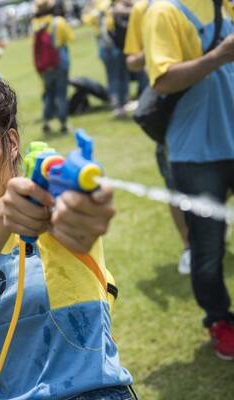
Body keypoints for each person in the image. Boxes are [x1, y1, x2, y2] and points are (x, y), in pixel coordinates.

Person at [0, 68, 133, 399]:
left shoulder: (50, 191)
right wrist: (6, 210)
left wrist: (83, 206)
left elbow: (78, 224)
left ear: (12, 141)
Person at [142, 0, 234, 360]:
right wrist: (218, 56)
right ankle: (220, 321)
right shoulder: (164, 11)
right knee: (207, 249)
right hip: (195, 152)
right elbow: (162, 79)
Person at [123, 0, 190, 275]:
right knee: (174, 180)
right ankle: (189, 247)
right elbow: (132, 59)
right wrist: (156, 50)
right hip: (171, 109)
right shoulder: (146, 7)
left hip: (215, 102)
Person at [33, 0, 75, 135]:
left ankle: (46, 121)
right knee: (61, 94)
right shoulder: (58, 21)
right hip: (60, 60)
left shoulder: (36, 25)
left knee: (49, 93)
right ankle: (63, 123)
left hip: (45, 64)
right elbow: (70, 38)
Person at [84, 0, 131, 117]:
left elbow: (86, 20)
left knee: (112, 75)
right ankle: (123, 101)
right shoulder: (111, 4)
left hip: (104, 43)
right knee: (122, 73)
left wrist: (89, 7)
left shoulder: (97, 7)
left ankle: (117, 103)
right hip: (118, 42)